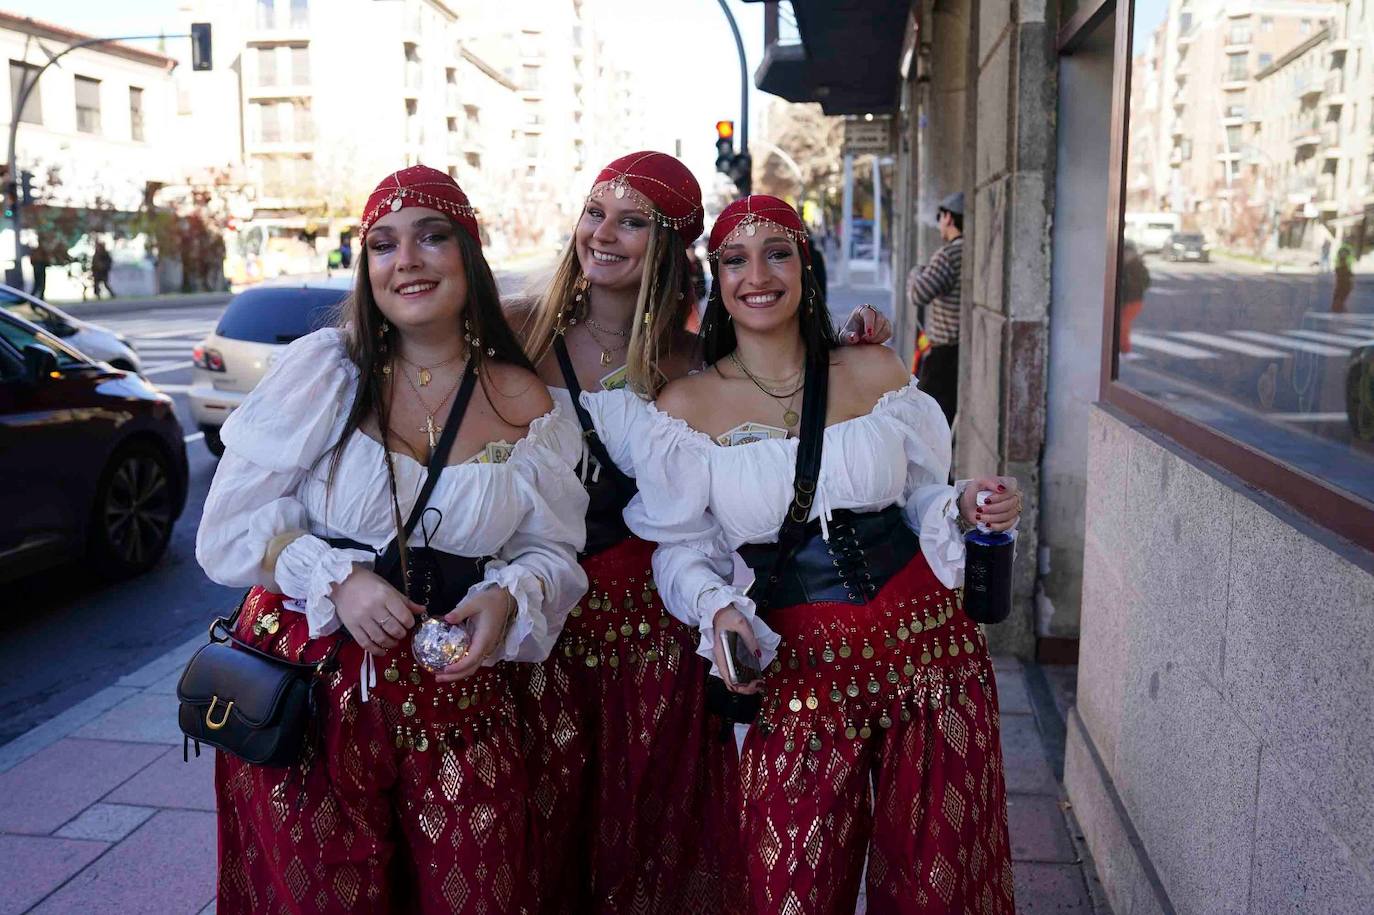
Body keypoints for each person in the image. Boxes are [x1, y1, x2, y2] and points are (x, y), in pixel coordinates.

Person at [196, 165, 589, 914]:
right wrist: (336, 576)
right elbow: (225, 533)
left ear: (468, 257)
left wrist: (507, 597)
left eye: (431, 236)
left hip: (459, 705)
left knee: (473, 889)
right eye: (382, 244)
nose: (405, 258)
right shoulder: (326, 374)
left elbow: (552, 549)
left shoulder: (526, 400)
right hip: (311, 699)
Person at [512, 152, 895, 915]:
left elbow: (776, 392)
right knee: (541, 823)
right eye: (596, 212)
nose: (606, 233)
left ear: (670, 245)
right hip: (541, 621)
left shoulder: (691, 362)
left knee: (653, 833)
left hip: (654, 633)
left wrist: (845, 346)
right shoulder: (518, 329)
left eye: (633, 221)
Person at [627, 195, 1021, 915]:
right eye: (736, 259)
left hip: (928, 656)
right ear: (715, 277)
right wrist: (719, 611)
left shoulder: (872, 368)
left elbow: (921, 497)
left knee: (939, 886)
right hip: (800, 675)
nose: (758, 274)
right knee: (792, 890)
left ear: (806, 263)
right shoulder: (683, 409)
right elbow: (681, 552)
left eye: (778, 252)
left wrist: (965, 505)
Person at [906, 191, 964, 423]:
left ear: (948, 217)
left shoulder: (948, 254)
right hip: (960, 349)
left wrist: (916, 272)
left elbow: (918, 294)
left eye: (941, 218)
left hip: (944, 353)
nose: (940, 224)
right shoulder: (970, 251)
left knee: (929, 420)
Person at [1118, 241, 1150, 353]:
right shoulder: (1122, 265)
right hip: (1127, 300)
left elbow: (1146, 283)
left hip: (1133, 300)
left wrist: (1131, 284)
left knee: (1123, 323)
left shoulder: (1136, 266)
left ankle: (1124, 348)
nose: (1126, 255)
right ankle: (1122, 347)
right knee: (1122, 323)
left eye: (1128, 252)